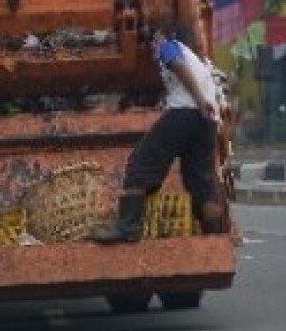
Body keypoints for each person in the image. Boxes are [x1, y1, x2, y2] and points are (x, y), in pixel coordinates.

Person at [92, 20, 225, 243]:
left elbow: (177, 66)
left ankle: (126, 229)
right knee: (200, 182)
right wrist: (204, 104)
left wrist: (199, 101)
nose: (153, 45)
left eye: (153, 38)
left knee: (140, 164)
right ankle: (216, 237)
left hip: (185, 113)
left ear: (166, 35)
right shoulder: (200, 62)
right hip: (208, 122)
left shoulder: (169, 46)